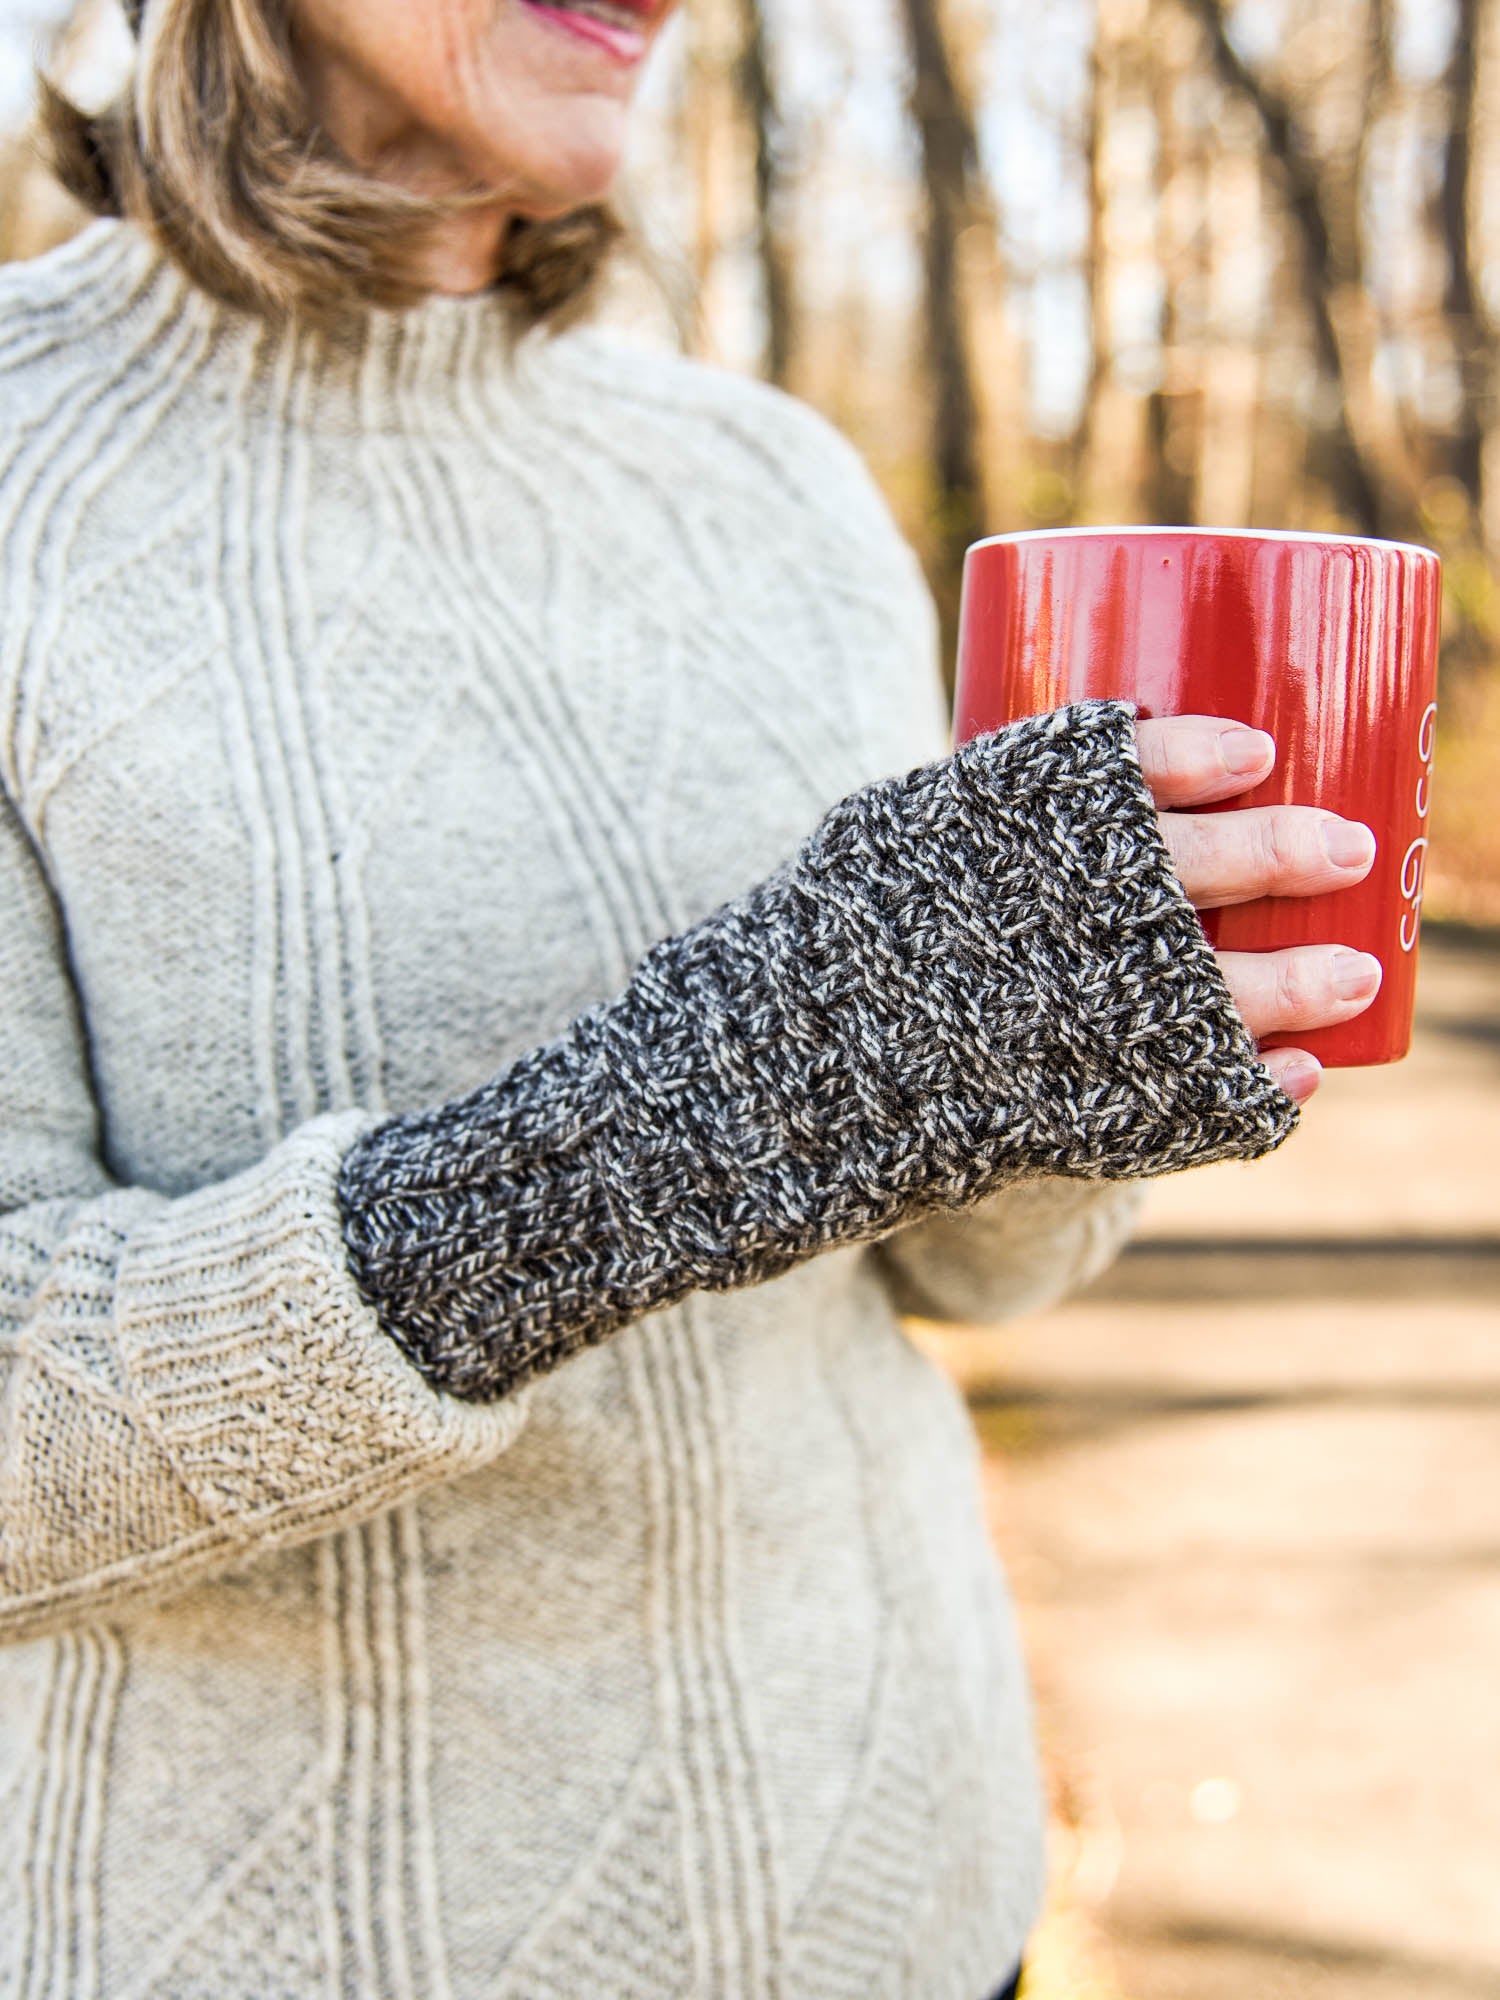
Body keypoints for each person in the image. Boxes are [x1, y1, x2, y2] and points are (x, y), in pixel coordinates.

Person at [0, 2, 1384, 1994]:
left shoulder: (776, 490)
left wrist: (1095, 1059)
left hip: (916, 1893)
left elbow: (976, 1278)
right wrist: (677, 1134)